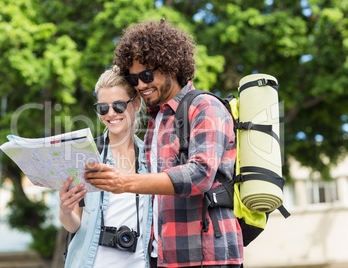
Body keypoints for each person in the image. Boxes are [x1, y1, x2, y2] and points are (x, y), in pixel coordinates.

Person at [84, 19, 243, 268]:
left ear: (171, 65)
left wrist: (125, 182)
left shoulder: (205, 107)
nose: (141, 85)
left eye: (147, 75)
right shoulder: (157, 119)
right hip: (164, 258)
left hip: (206, 256)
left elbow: (200, 174)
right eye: (133, 78)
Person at [59, 66, 152, 268]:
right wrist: (65, 211)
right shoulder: (84, 156)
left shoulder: (152, 157)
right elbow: (74, 225)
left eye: (118, 106)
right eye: (103, 108)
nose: (111, 114)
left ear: (136, 103)